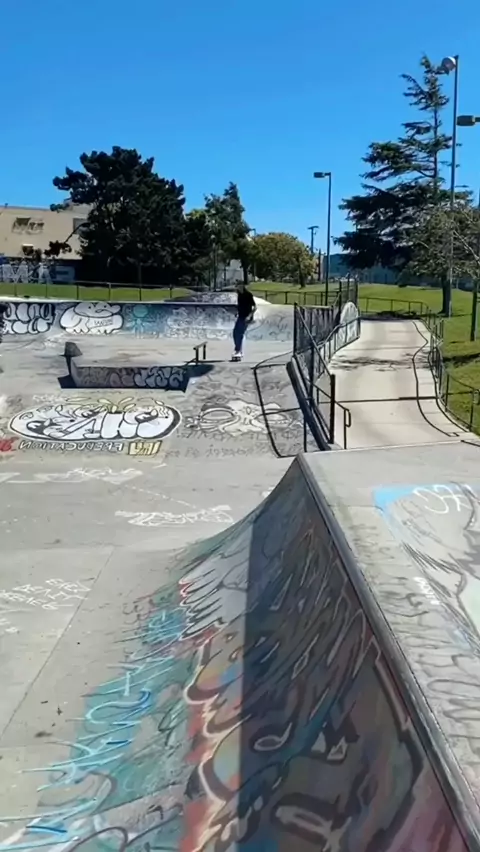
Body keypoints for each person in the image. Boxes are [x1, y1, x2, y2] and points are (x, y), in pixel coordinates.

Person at [232, 283, 256, 361]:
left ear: (242, 286)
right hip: (240, 316)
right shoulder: (239, 295)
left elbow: (255, 307)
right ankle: (238, 350)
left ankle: (238, 350)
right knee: (235, 333)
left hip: (246, 317)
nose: (237, 288)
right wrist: (237, 312)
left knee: (240, 333)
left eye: (238, 286)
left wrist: (249, 316)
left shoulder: (248, 295)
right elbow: (240, 306)